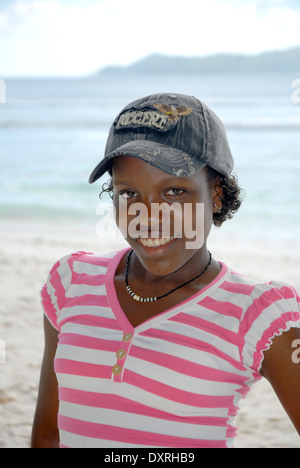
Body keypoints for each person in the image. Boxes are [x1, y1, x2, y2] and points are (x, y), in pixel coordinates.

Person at [31, 93, 300, 448]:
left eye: (174, 191)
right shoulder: (71, 284)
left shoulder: (259, 316)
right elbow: (49, 434)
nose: (149, 216)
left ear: (216, 193)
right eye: (128, 194)